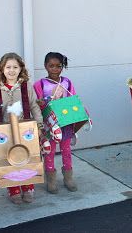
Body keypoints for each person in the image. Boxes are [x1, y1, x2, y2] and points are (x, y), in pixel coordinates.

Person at [0, 53, 43, 204]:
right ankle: (13, 188)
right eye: (8, 67)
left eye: (15, 67)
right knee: (8, 158)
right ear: (2, 69)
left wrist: (39, 124)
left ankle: (28, 186)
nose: (11, 70)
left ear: (20, 69)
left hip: (24, 129)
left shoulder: (25, 86)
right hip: (4, 131)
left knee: (26, 156)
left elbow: (34, 105)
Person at [33, 52, 78, 193]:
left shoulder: (67, 82)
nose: (55, 69)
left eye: (58, 66)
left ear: (62, 67)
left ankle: (68, 178)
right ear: (45, 66)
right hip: (49, 124)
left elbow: (73, 100)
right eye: (51, 66)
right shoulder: (40, 84)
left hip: (65, 123)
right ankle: (51, 179)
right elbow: (36, 105)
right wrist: (40, 103)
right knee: (49, 151)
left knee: (66, 150)